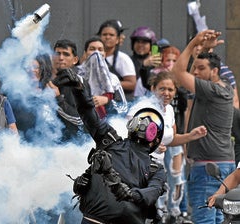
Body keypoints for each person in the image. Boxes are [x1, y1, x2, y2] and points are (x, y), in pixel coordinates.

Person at [58, 67, 167, 223]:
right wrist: (80, 89)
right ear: (156, 140)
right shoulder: (156, 168)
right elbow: (151, 193)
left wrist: (80, 89)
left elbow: (88, 113)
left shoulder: (109, 140)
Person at [172, 30, 235, 224]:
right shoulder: (222, 87)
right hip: (221, 164)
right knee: (217, 219)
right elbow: (190, 73)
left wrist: (193, 43)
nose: (195, 72)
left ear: (214, 71)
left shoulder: (213, 89)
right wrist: (206, 49)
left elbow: (178, 73)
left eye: (200, 68)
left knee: (204, 220)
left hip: (208, 167)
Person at [127, 71, 205, 223]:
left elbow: (170, 139)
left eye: (170, 90)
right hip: (137, 168)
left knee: (155, 212)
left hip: (156, 169)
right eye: (162, 88)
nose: (166, 93)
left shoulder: (169, 110)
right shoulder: (143, 107)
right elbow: (127, 135)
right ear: (153, 88)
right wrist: (151, 147)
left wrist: (190, 136)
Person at [79, 36, 127, 118]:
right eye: (92, 49)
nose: (96, 53)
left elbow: (123, 107)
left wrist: (107, 101)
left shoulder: (113, 79)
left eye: (100, 49)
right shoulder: (77, 77)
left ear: (104, 54)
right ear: (85, 53)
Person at [50, 39, 84, 141]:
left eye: (66, 54)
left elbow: (79, 119)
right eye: (57, 54)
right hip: (44, 143)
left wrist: (58, 98)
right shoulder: (45, 81)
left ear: (75, 60)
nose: (61, 58)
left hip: (71, 145)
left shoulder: (80, 83)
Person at [97, 20, 136, 102]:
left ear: (118, 39)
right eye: (104, 34)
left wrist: (108, 83)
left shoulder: (123, 59)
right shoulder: (92, 57)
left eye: (111, 35)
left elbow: (132, 84)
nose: (107, 37)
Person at [130, 26, 162, 91]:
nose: (140, 45)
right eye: (137, 42)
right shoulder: (127, 60)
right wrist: (144, 65)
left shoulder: (158, 61)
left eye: (144, 42)